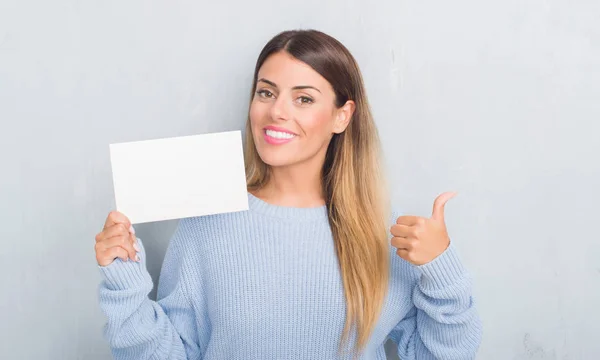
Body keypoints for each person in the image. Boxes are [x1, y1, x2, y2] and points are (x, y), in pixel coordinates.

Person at [95, 29, 482, 360]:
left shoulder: (383, 232)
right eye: (266, 92)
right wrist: (125, 281)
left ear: (342, 116)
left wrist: (441, 271)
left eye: (304, 98)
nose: (277, 111)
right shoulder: (207, 222)